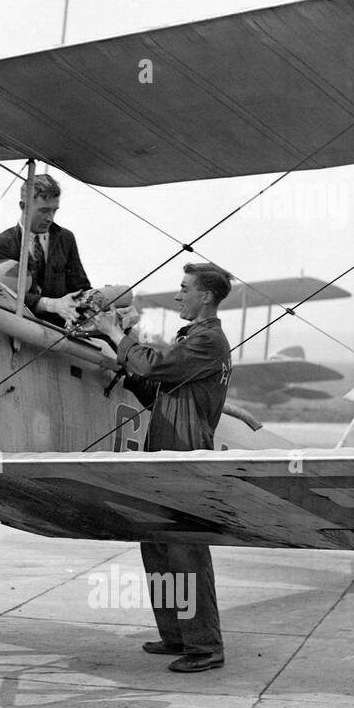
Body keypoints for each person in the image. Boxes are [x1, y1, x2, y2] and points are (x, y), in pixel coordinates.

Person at [92, 263, 233, 673]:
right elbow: (156, 390)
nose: (178, 295)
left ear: (206, 296)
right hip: (165, 453)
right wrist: (125, 362)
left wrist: (117, 335)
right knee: (156, 546)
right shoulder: (193, 339)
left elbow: (154, 367)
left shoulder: (208, 340)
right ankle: (177, 636)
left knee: (186, 552)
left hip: (185, 457)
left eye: (185, 288)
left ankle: (205, 647)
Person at [0, 173, 90, 324]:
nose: (50, 218)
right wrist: (50, 304)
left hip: (62, 328)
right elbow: (3, 293)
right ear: (23, 206)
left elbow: (80, 287)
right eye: (44, 210)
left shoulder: (66, 238)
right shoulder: (1, 244)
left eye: (54, 210)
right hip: (21, 327)